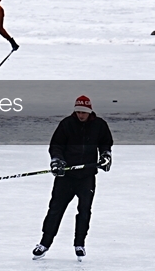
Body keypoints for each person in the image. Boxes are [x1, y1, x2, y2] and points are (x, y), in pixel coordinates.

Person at [32, 96, 113, 261]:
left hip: (87, 176)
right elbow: (56, 145)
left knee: (84, 211)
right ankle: (44, 243)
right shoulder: (67, 124)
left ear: (89, 112)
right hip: (66, 177)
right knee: (55, 210)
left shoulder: (99, 125)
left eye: (83, 112)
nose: (80, 115)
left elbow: (106, 143)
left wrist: (106, 156)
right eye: (78, 112)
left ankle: (79, 244)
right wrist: (57, 161)